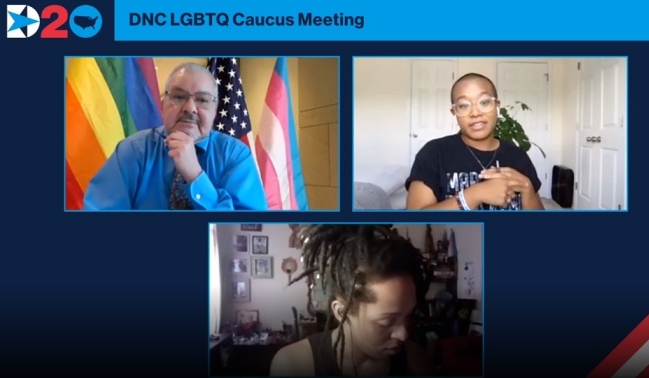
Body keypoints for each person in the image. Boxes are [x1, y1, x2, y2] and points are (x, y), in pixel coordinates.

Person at [82, 62, 267, 210]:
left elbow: (245, 232)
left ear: (215, 110)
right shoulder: (131, 151)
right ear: (163, 105)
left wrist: (195, 176)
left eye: (202, 100)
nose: (190, 108)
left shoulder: (236, 157)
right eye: (178, 97)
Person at [270, 225, 434, 376]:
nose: (403, 334)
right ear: (342, 312)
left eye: (409, 316)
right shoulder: (294, 366)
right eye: (387, 321)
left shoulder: (415, 361)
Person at [406, 72, 544, 210]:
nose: (475, 113)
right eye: (464, 106)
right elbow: (414, 222)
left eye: (484, 102)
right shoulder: (434, 153)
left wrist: (528, 188)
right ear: (454, 112)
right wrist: (475, 195)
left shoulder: (518, 157)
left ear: (497, 105)